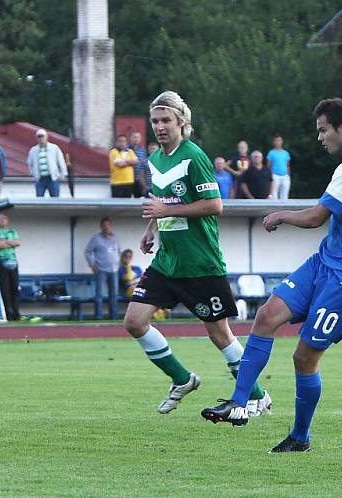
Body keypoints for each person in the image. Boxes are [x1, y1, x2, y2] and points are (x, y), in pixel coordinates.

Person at [202, 98, 342, 453]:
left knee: (304, 358)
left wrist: (280, 214)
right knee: (266, 316)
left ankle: (300, 437)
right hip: (324, 264)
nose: (320, 137)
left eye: (324, 130)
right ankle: (238, 404)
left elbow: (315, 218)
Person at [128, 90, 270, 417]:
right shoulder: (156, 159)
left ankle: (258, 394)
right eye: (155, 121)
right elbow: (163, 200)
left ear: (181, 122)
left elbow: (215, 205)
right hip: (168, 261)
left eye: (166, 120)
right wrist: (152, 228)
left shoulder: (194, 156)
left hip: (200, 262)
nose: (160, 126)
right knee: (134, 321)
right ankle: (182, 379)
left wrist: (164, 209)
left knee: (218, 333)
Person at [86, 218, 121, 320]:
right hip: (101, 270)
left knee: (114, 294)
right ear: (101, 227)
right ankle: (98, 316)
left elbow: (118, 251)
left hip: (114, 270)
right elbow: (88, 252)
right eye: (104, 225)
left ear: (111, 226)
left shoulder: (115, 238)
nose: (106, 227)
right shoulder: (96, 238)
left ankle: (113, 316)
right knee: (99, 294)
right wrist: (92, 265)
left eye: (108, 225)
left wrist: (117, 263)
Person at [0, 212, 21, 321]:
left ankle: (16, 312)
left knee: (15, 288)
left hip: (12, 262)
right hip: (0, 262)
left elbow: (17, 242)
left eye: (3, 218)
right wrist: (9, 243)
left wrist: (4, 242)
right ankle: (8, 313)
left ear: (7, 220)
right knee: (5, 289)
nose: (1, 220)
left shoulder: (12, 231)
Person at [27, 128, 67, 198]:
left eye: (42, 136)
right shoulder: (33, 150)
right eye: (39, 137)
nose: (41, 138)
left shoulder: (54, 148)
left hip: (52, 178)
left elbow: (61, 161)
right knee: (39, 199)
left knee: (55, 199)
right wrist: (33, 174)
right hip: (40, 179)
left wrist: (63, 173)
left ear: (46, 137)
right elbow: (30, 163)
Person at [267, 134, 292, 200]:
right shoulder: (271, 153)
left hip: (285, 176)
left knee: (285, 195)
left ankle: (284, 209)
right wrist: (270, 176)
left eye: (279, 140)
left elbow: (288, 165)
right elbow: (268, 166)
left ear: (282, 141)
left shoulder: (286, 153)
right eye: (276, 140)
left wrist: (288, 175)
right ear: (274, 142)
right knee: (274, 195)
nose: (278, 142)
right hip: (275, 176)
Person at [129, 131, 149, 196]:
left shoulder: (143, 150)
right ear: (131, 138)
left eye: (138, 137)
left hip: (139, 179)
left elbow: (144, 165)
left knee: (139, 198)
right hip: (129, 179)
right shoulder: (126, 150)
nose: (136, 139)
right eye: (134, 137)